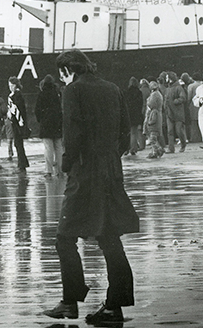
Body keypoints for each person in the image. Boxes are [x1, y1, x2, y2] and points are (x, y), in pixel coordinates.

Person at [43, 50, 139, 324]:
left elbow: (72, 133)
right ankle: (113, 306)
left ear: (65, 70)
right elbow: (125, 132)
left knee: (64, 237)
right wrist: (109, 157)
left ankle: (70, 301)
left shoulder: (73, 90)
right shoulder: (113, 89)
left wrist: (67, 162)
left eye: (62, 75)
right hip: (110, 172)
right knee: (109, 238)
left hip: (84, 173)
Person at [35, 74, 64, 176]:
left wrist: (41, 120)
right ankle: (60, 171)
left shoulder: (42, 94)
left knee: (48, 148)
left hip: (46, 124)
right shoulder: (57, 93)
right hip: (57, 123)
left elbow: (37, 110)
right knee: (59, 147)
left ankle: (48, 171)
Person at [7, 76, 30, 173]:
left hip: (17, 122)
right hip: (19, 122)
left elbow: (16, 110)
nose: (10, 87)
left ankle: (22, 164)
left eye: (11, 85)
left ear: (14, 85)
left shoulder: (14, 96)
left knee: (18, 143)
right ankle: (22, 163)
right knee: (19, 143)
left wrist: (13, 118)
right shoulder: (18, 95)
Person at [164, 71, 187, 153]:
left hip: (177, 112)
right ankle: (171, 148)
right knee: (170, 131)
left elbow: (183, 98)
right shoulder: (168, 88)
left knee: (178, 130)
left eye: (167, 77)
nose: (166, 79)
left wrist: (176, 101)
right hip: (169, 112)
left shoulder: (178, 87)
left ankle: (183, 144)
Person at [144, 81, 165, 159]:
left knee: (153, 136)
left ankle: (158, 150)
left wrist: (147, 101)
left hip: (153, 116)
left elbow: (151, 104)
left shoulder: (154, 95)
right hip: (158, 116)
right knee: (154, 136)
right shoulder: (159, 94)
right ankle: (155, 151)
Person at [124, 77, 144, 155]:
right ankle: (133, 148)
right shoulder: (139, 92)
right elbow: (141, 104)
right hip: (136, 114)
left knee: (127, 132)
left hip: (128, 114)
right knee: (134, 133)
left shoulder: (126, 92)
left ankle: (126, 149)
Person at [186, 72, 203, 143]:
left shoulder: (191, 86)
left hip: (193, 106)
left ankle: (195, 138)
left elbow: (189, 97)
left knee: (194, 123)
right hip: (202, 105)